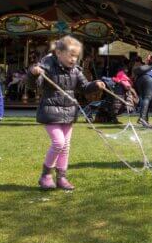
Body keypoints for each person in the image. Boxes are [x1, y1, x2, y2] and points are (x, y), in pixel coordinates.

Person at [29, 36, 105, 190]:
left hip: (69, 113)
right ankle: (45, 176)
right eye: (71, 55)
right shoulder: (47, 66)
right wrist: (33, 73)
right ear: (58, 53)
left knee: (65, 146)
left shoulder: (75, 70)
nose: (73, 59)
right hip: (51, 112)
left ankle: (61, 177)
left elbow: (84, 87)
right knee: (59, 143)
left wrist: (95, 85)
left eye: (76, 56)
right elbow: (34, 85)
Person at [133, 54, 152, 127]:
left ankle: (145, 119)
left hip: (139, 80)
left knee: (143, 98)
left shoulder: (145, 67)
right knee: (147, 98)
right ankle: (142, 118)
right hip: (149, 80)